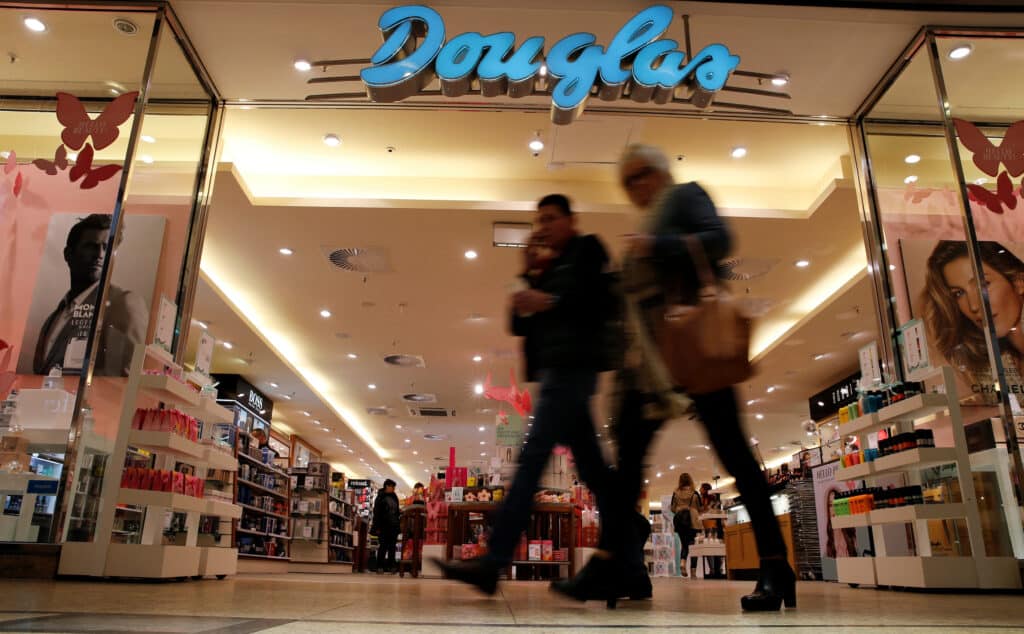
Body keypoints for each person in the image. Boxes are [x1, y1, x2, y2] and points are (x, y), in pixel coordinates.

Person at [561, 144, 795, 611]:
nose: (638, 186)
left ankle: (774, 565)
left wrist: (659, 246)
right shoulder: (645, 225)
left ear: (662, 171)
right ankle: (612, 563)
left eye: (643, 174)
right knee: (627, 465)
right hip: (651, 367)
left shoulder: (686, 196)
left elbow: (720, 239)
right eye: (628, 181)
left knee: (735, 456)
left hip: (693, 347)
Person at [435, 194, 617, 598]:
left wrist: (547, 298)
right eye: (539, 220)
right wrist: (528, 274)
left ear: (571, 219)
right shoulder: (545, 266)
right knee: (595, 473)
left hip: (574, 370)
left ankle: (493, 561)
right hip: (553, 374)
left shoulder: (588, 250)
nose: (543, 226)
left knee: (533, 459)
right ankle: (622, 553)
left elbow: (596, 301)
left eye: (551, 218)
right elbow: (518, 323)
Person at [33, 214, 146, 377]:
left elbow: (123, 378)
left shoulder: (123, 303)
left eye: (106, 248)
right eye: (91, 246)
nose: (100, 254)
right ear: (68, 254)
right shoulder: (53, 318)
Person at [922, 240, 1024, 401]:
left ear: (1018, 282)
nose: (974, 305)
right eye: (959, 293)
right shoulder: (991, 370)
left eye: (983, 284)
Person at [671, 472, 702, 577]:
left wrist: (680, 509)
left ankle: (682, 562)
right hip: (693, 522)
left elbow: (672, 508)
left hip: (680, 522)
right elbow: (700, 508)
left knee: (684, 545)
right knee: (693, 546)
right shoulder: (695, 493)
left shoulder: (675, 493)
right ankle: (693, 571)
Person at [372, 479, 401, 574]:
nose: (393, 489)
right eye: (392, 487)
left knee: (392, 547)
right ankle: (379, 566)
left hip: (393, 526)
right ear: (387, 486)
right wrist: (377, 527)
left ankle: (391, 566)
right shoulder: (380, 497)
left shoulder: (394, 496)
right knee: (383, 546)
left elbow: (396, 511)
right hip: (383, 526)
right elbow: (377, 513)